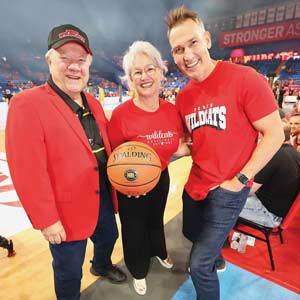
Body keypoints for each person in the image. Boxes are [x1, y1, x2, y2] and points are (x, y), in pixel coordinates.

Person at [165, 6, 284, 300]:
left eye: (192, 43)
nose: (187, 55)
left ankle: (211, 261)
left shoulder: (245, 78)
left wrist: (239, 180)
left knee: (198, 264)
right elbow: (191, 143)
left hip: (229, 187)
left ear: (206, 39)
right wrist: (153, 153)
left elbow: (275, 134)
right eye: (178, 49)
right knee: (192, 236)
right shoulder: (183, 97)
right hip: (196, 185)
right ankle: (217, 256)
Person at [5, 24, 126, 300]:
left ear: (89, 64)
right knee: (69, 270)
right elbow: (26, 171)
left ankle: (101, 265)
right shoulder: (27, 104)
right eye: (65, 59)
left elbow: (105, 148)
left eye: (80, 60)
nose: (74, 67)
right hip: (65, 211)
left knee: (109, 238)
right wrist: (47, 220)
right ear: (49, 60)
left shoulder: (93, 103)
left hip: (103, 196)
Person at [107, 41, 189, 295]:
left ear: (161, 72)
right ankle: (138, 269)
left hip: (161, 176)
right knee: (133, 228)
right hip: (131, 182)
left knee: (156, 220)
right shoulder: (121, 115)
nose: (144, 77)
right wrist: (127, 183)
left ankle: (159, 251)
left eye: (150, 69)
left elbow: (178, 146)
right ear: (130, 79)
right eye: (137, 72)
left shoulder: (172, 111)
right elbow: (113, 158)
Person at [240, 119, 300, 227]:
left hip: (269, 214)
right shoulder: (293, 152)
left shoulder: (274, 155)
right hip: (279, 210)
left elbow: (248, 190)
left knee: (222, 202)